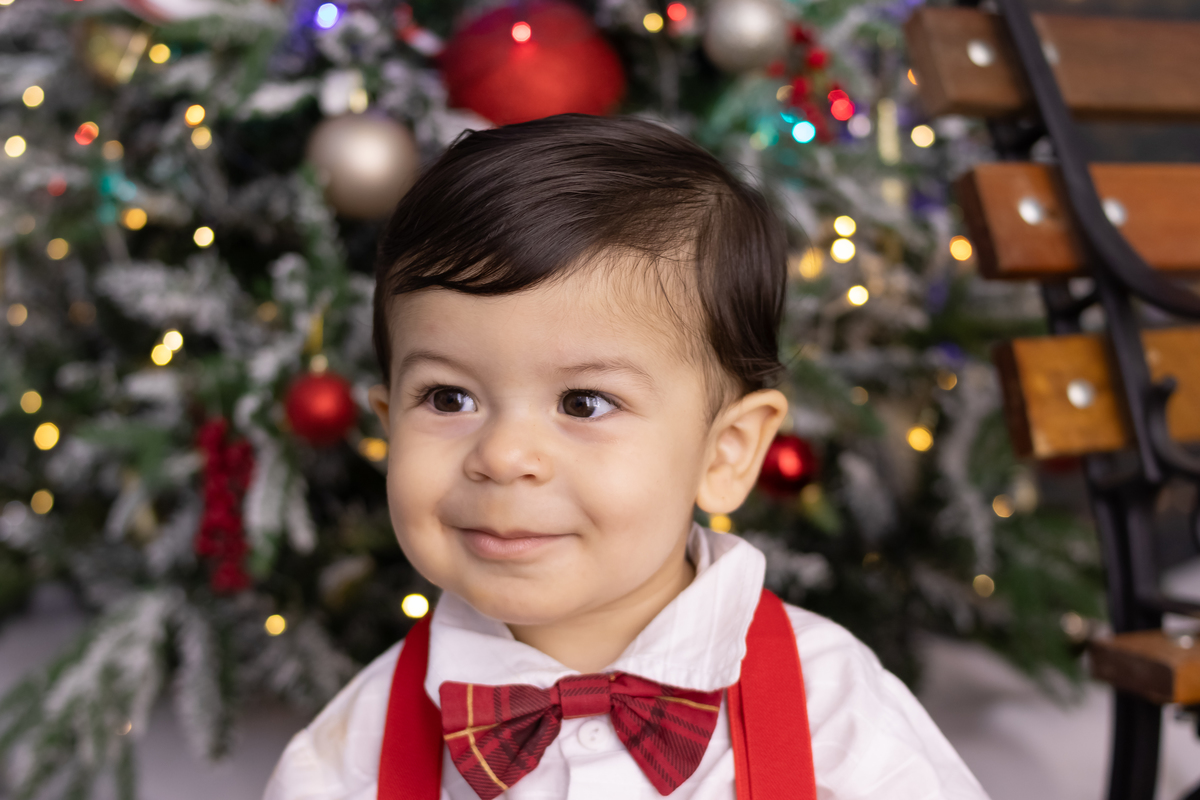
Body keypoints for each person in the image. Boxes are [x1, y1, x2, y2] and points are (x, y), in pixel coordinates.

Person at [263, 114, 988, 800]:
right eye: (449, 399)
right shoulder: (353, 749)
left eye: (584, 402)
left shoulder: (832, 708)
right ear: (389, 427)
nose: (505, 455)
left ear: (726, 452)